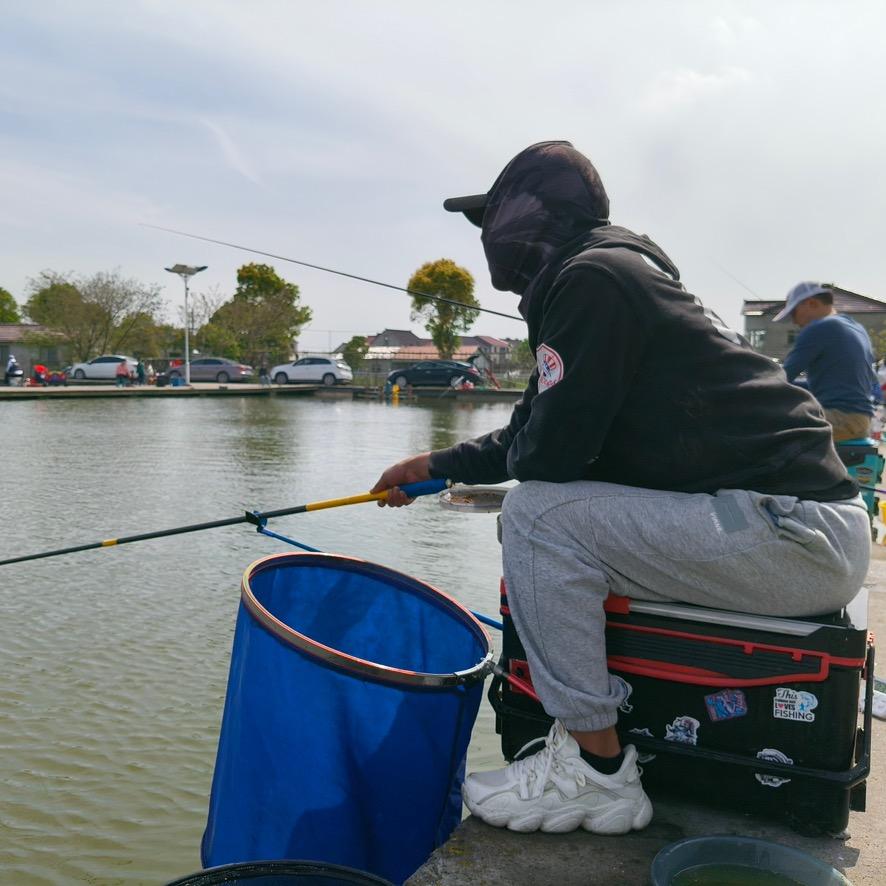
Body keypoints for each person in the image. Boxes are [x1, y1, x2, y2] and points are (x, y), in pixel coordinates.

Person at [370, 141, 870, 836]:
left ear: (529, 217)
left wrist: (458, 468)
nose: (487, 239)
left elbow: (547, 454)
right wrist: (431, 466)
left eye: (492, 220)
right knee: (551, 509)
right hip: (786, 531)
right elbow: (536, 428)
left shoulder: (594, 280)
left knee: (537, 515)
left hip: (793, 538)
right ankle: (587, 751)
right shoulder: (607, 276)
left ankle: (598, 772)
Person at [775, 281, 877, 441]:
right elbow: (844, 383)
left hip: (839, 418)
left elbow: (781, 377)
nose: (794, 322)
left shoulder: (819, 328)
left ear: (811, 303)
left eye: (793, 313)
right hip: (861, 419)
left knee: (763, 425)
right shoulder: (856, 327)